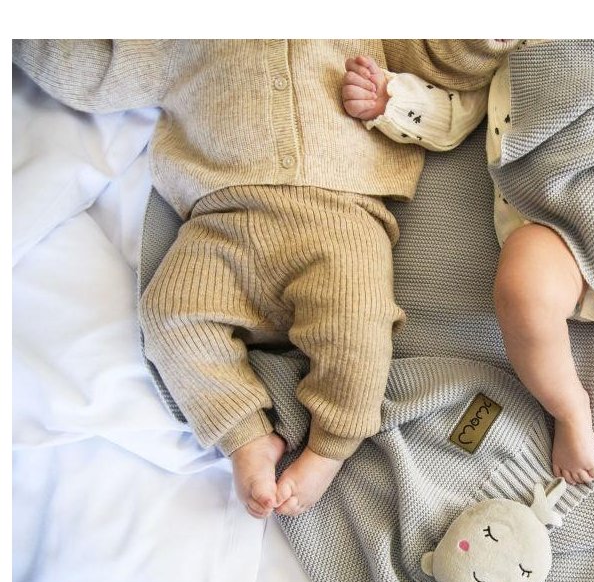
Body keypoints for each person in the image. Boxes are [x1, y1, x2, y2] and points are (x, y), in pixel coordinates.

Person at [14, 39, 514, 516]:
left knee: (359, 322)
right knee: (169, 314)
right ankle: (244, 433)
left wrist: (482, 41)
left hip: (340, 216)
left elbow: (439, 58)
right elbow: (99, 68)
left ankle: (331, 445)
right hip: (221, 221)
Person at [342, 39, 594, 485]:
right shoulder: (520, 46)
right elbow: (454, 113)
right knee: (523, 289)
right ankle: (569, 407)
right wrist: (392, 101)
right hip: (559, 227)